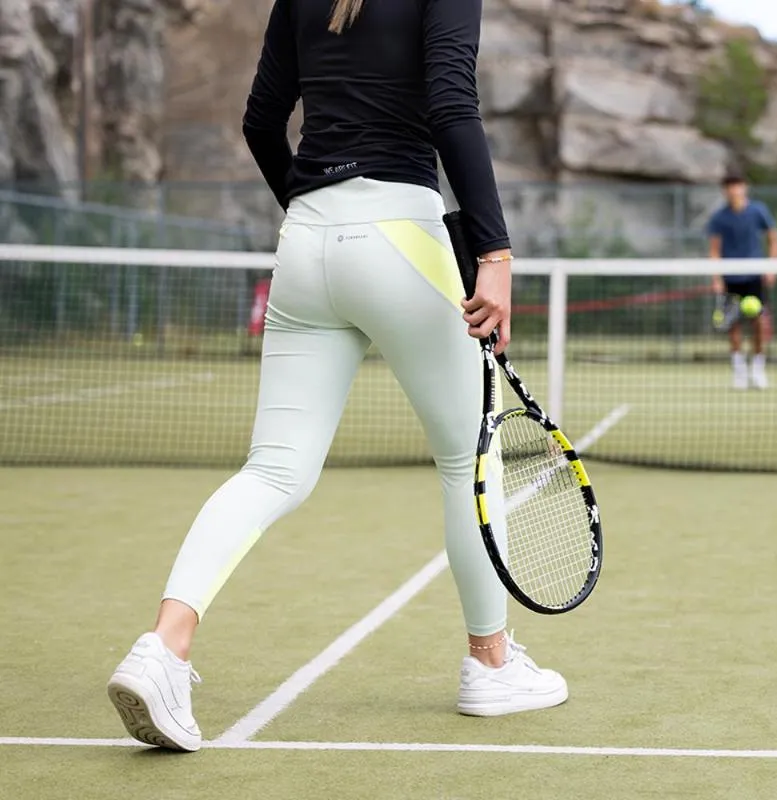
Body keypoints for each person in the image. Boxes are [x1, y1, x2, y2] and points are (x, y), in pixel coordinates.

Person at [105, 0, 567, 753]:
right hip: (402, 236)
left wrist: (316, 206)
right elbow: (452, 104)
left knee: (274, 469)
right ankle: (491, 664)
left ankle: (164, 647)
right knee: (468, 457)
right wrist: (495, 255)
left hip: (305, 243)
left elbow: (261, 121)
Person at [707, 172, 777, 389]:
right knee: (733, 325)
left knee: (758, 322)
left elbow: (773, 238)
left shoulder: (758, 211)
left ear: (744, 187)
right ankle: (739, 370)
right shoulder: (719, 217)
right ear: (725, 190)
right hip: (730, 277)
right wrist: (717, 277)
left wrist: (772, 267)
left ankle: (758, 368)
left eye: (737, 185)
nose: (734, 190)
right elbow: (714, 250)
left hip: (754, 276)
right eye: (729, 186)